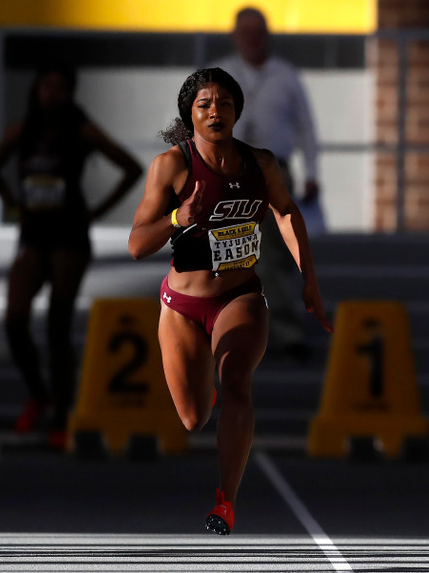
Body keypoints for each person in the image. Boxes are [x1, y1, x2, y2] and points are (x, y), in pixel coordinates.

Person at [127, 68, 331, 535]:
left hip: (239, 296)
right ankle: (208, 384)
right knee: (193, 416)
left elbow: (285, 212)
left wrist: (310, 281)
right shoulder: (172, 166)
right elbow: (137, 244)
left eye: (224, 103)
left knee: (238, 381)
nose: (215, 111)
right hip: (182, 304)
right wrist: (180, 217)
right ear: (190, 115)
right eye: (204, 104)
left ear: (238, 111)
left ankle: (225, 501)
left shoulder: (261, 163)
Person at [0, 64, 143, 447]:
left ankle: (61, 412)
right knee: (15, 318)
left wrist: (98, 211)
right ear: (36, 90)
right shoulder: (21, 132)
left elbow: (132, 168)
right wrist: (11, 202)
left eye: (60, 86)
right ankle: (39, 395)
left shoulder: (82, 131)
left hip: (69, 233)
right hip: (34, 233)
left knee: (57, 323)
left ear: (71, 92)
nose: (53, 93)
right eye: (47, 85)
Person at [212, 6, 322, 360]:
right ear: (235, 36)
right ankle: (236, 327)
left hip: (275, 169)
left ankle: (286, 329)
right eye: (246, 33)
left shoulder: (286, 75)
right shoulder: (221, 73)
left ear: (267, 36)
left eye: (258, 33)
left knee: (278, 251)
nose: (252, 40)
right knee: (230, 252)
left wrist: (312, 173)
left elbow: (306, 127)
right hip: (230, 170)